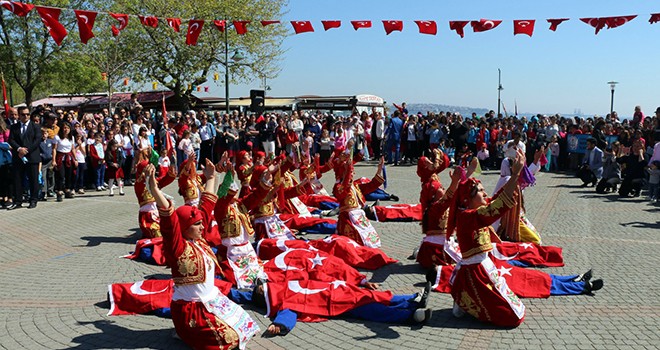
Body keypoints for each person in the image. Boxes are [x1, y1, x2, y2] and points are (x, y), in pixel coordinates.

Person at [447, 150, 603, 327]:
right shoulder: (468, 216)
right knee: (512, 315)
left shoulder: (471, 211)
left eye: (483, 190)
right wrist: (514, 175)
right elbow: (497, 205)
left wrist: (516, 175)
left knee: (530, 280)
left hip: (487, 264)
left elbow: (497, 199)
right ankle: (464, 300)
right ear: (468, 199)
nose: (485, 194)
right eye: (480, 191)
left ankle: (463, 301)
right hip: (476, 271)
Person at [145, 160, 259, 350]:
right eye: (196, 224)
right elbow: (169, 219)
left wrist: (212, 177)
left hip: (212, 299)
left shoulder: (198, 239)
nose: (202, 227)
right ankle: (183, 332)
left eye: (200, 223)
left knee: (245, 327)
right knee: (228, 339)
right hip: (191, 309)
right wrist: (154, 189)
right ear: (184, 227)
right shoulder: (177, 247)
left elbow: (207, 204)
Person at [7, 106, 42, 210]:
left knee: (33, 179)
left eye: (27, 114)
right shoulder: (14, 127)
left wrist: (26, 151)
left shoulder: (35, 126)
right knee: (17, 180)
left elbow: (37, 141)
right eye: (23, 114)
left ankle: (33, 200)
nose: (25, 116)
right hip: (18, 157)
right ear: (19, 115)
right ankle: (18, 201)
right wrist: (19, 149)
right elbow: (11, 140)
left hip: (32, 157)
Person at [52, 121, 78, 201]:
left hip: (69, 158)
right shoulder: (57, 137)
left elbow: (73, 148)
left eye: (68, 128)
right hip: (60, 158)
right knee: (61, 175)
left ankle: (67, 190)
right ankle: (59, 191)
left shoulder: (71, 138)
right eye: (64, 128)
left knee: (69, 175)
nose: (66, 130)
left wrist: (75, 159)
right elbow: (54, 149)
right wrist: (54, 160)